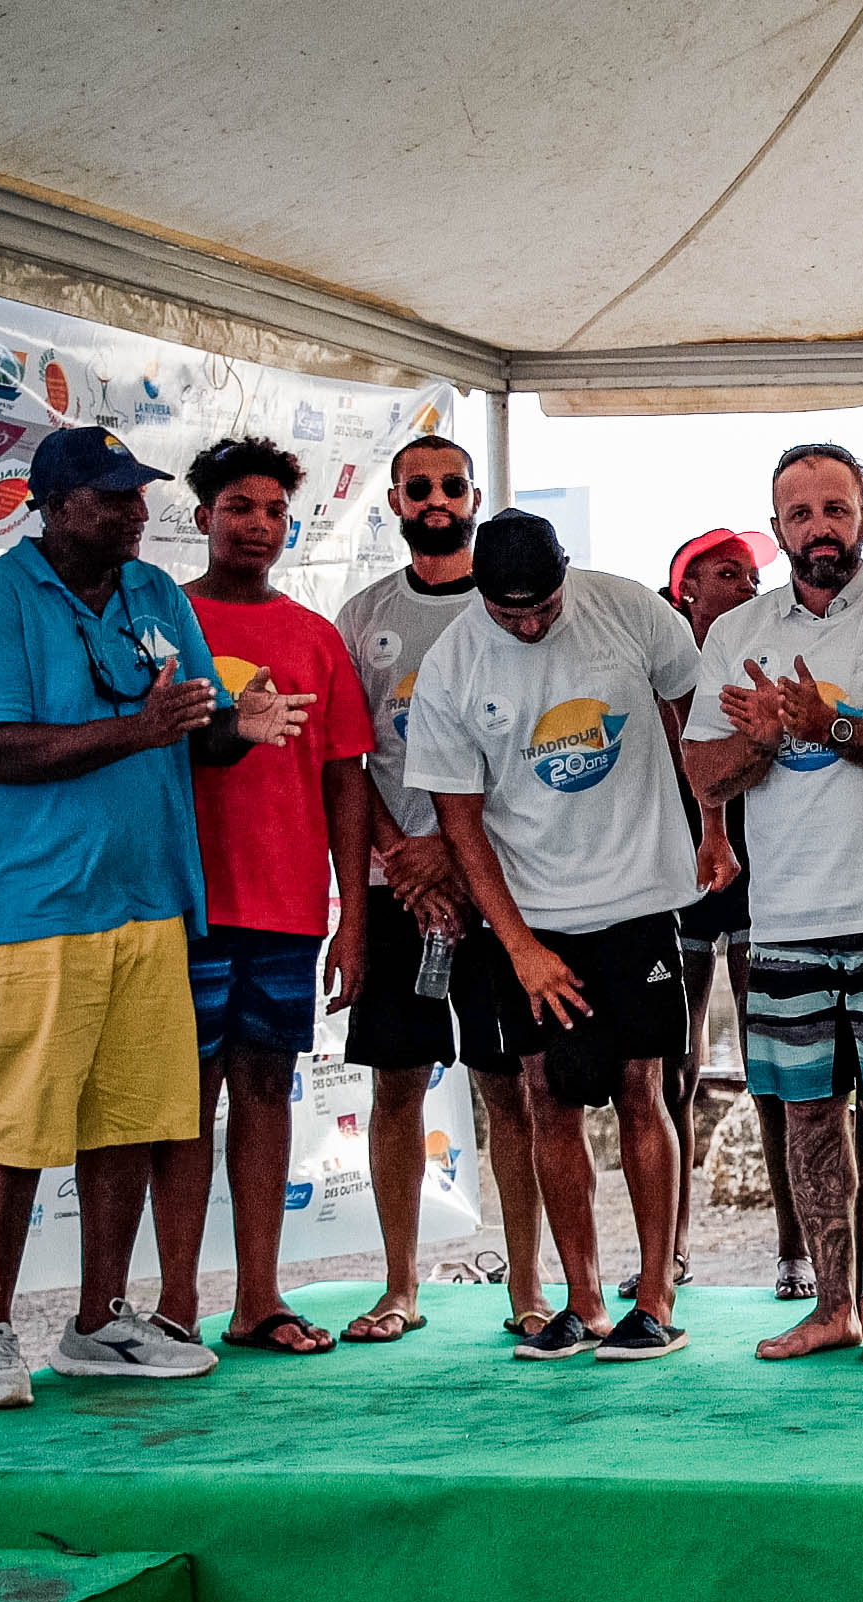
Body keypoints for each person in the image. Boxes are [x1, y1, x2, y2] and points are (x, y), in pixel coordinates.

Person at [0, 426, 308, 1407]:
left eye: (138, 494)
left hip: (150, 901)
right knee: (15, 1126)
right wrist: (139, 729)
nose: (135, 513)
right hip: (30, 907)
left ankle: (100, 1322)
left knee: (131, 1121)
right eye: (111, 497)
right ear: (53, 506)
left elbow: (194, 730)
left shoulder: (153, 595)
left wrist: (239, 728)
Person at [682, 443, 863, 1364]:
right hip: (786, 919)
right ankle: (830, 1307)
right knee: (808, 1114)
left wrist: (829, 724)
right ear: (778, 530)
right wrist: (765, 741)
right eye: (801, 513)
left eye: (836, 509)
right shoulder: (738, 633)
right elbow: (704, 772)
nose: (820, 527)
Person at [402, 510, 707, 1362]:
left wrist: (711, 823)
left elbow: (698, 718)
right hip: (533, 914)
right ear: (481, 596)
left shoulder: (629, 609)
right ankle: (582, 1302)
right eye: (512, 614)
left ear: (566, 573)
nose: (531, 626)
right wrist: (520, 947)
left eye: (543, 607)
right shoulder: (453, 664)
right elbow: (459, 826)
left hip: (640, 896)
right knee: (547, 1097)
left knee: (643, 1087)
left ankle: (655, 1298)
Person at [150, 438, 374, 1357]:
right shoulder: (162, 620)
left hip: (286, 908)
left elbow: (346, 780)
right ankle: (173, 1306)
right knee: (181, 1102)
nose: (258, 525)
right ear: (203, 516)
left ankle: (257, 1300)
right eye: (239, 507)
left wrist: (352, 919)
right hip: (181, 904)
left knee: (266, 1092)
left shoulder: (316, 637)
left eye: (275, 510)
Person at [335, 435, 552, 1342]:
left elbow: (530, 754)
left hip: (497, 889)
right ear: (394, 501)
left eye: (451, 486)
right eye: (417, 488)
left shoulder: (512, 604)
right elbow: (350, 762)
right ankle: (400, 1287)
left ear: (474, 496)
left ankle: (528, 1289)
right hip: (400, 893)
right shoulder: (363, 618)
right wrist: (404, 862)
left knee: (514, 1092)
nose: (436, 500)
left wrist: (458, 864)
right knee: (397, 1089)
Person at [652, 526, 813, 1302]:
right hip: (675, 880)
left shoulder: (764, 664)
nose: (749, 585)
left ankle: (794, 1252)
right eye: (729, 573)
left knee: (770, 1067)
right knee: (671, 1071)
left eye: (752, 575)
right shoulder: (658, 670)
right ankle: (670, 1254)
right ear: (686, 589)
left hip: (760, 877)